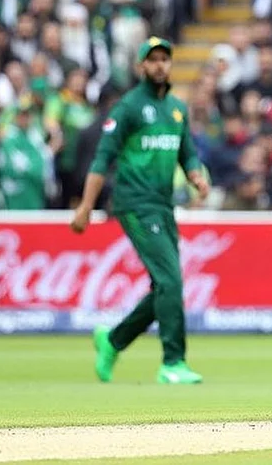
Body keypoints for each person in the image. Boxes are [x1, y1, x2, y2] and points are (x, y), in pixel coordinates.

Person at [70, 36, 209, 384]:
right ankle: (173, 363)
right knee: (170, 281)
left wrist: (196, 176)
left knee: (165, 285)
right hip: (134, 203)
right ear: (141, 66)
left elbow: (187, 153)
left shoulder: (176, 109)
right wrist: (86, 205)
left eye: (165, 59)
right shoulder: (128, 107)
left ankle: (113, 340)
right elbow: (103, 157)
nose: (160, 65)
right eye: (153, 59)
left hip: (162, 204)